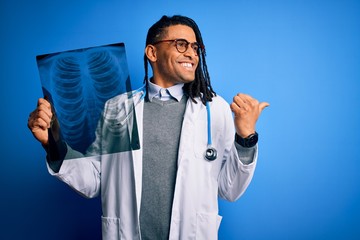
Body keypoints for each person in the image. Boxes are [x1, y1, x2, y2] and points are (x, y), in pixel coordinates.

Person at [28, 15, 269, 240]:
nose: (192, 55)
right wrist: (53, 143)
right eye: (181, 44)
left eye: (196, 48)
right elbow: (94, 180)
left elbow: (230, 189)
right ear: (152, 52)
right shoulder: (119, 108)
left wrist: (245, 137)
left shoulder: (213, 109)